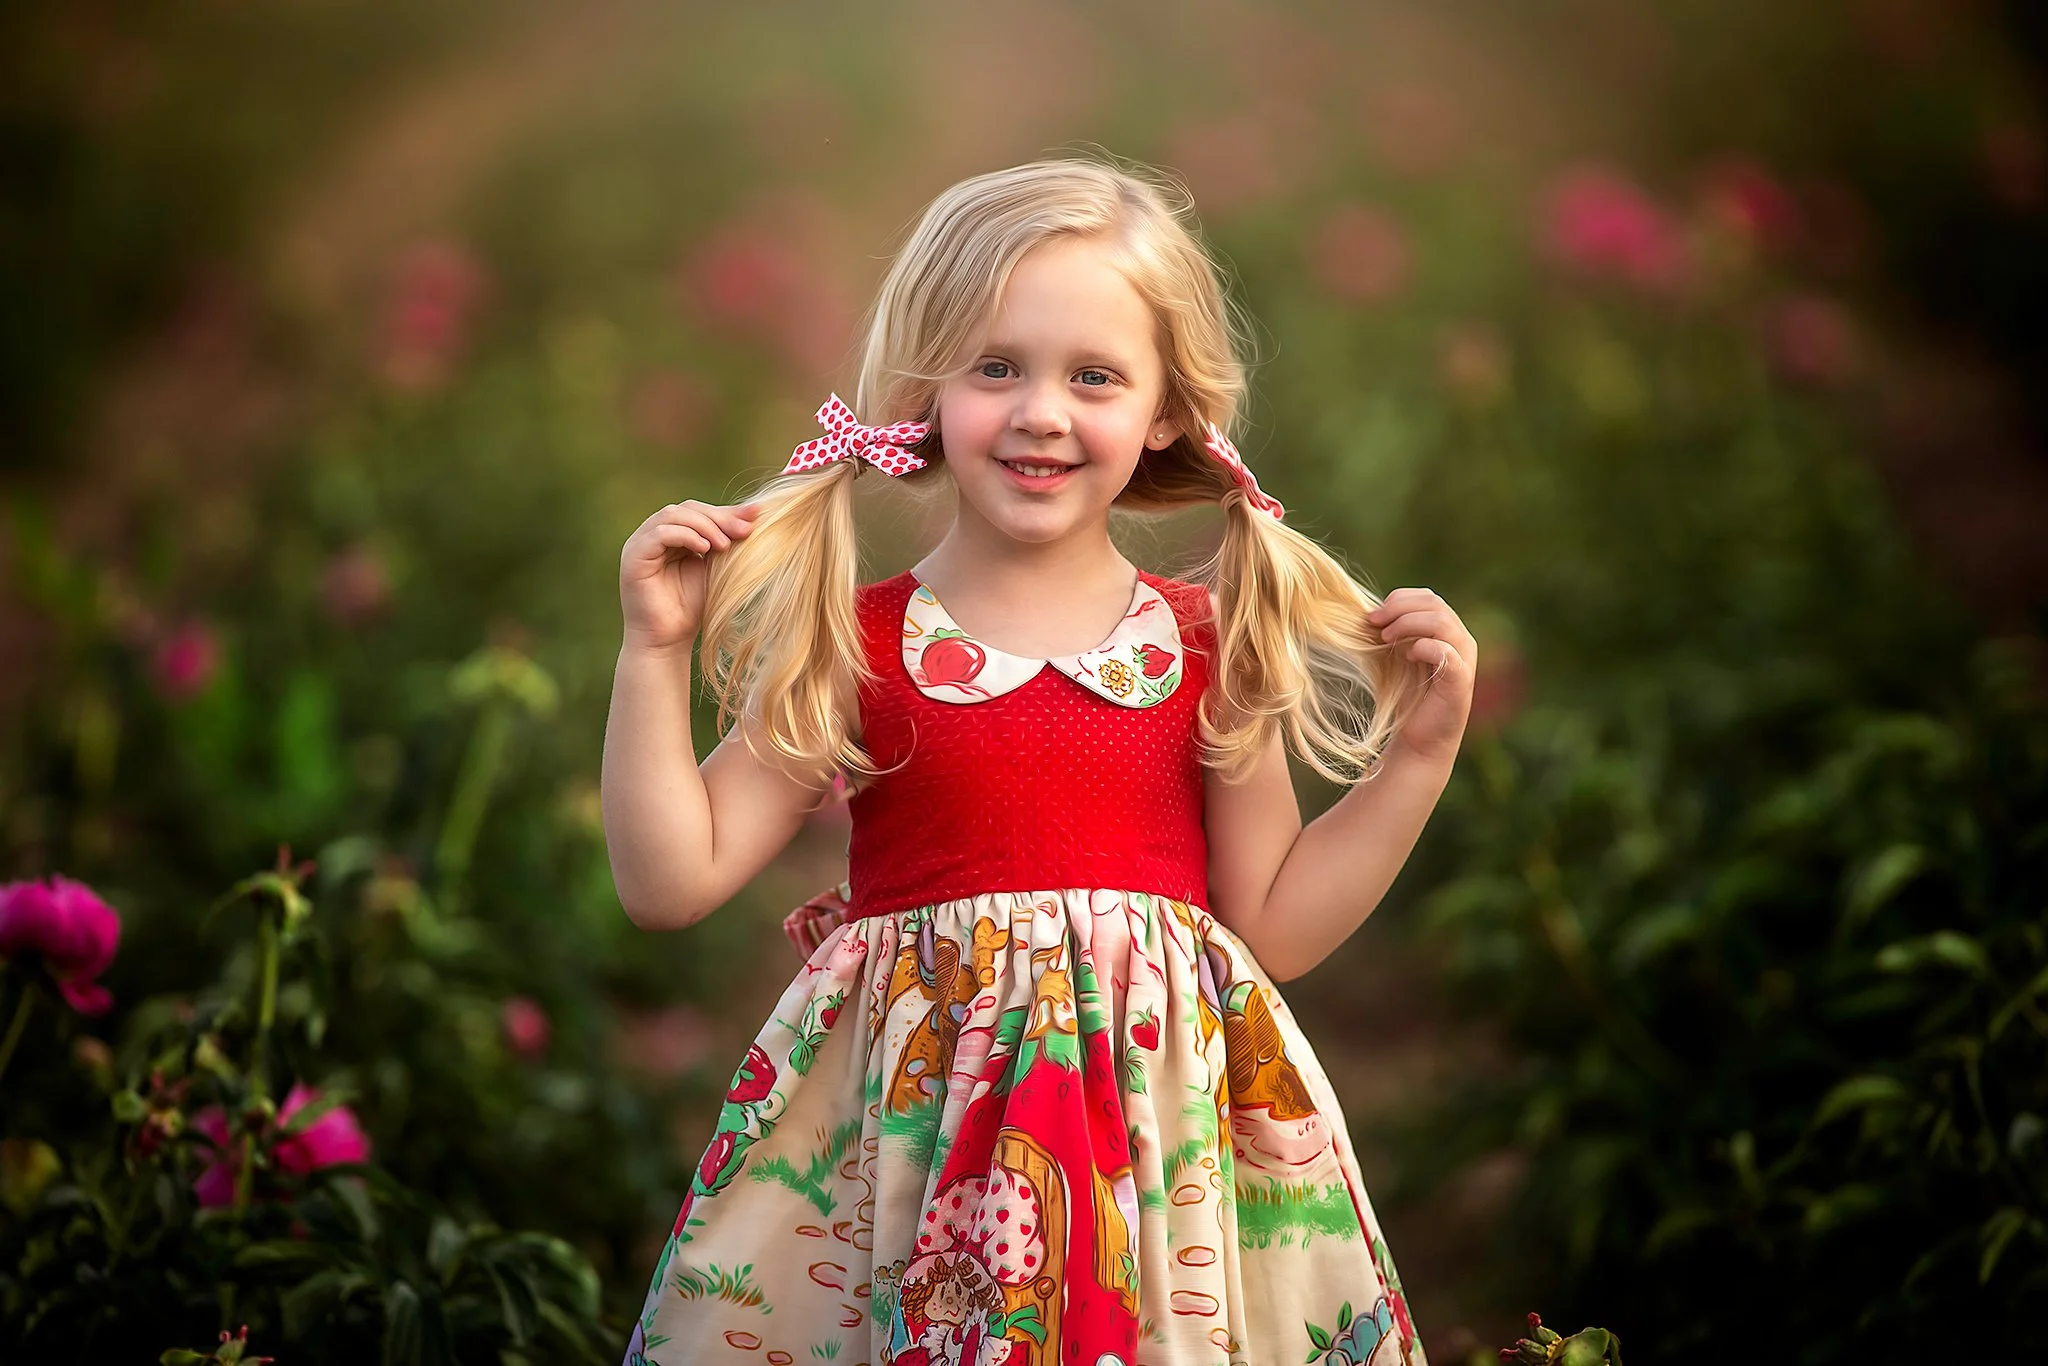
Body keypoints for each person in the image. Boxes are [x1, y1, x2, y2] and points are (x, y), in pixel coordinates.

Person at [602, 155, 1474, 1366]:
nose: (1041, 412)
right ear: (926, 389)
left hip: (1151, 1171)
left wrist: (1416, 759)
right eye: (995, 367)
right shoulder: (858, 639)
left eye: (1095, 376)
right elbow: (669, 880)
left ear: (1167, 407)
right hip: (918, 1167)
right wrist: (654, 651)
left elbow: (1271, 925)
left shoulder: (1200, 646)